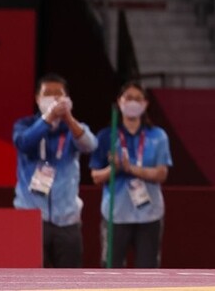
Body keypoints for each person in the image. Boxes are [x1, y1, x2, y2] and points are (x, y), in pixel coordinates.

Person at [13, 73, 98, 267]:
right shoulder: (23, 126)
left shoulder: (74, 129)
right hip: (30, 218)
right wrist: (48, 118)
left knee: (68, 282)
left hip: (67, 220)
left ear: (67, 99)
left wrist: (68, 118)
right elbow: (24, 144)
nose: (53, 98)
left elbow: (90, 145)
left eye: (58, 94)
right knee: (30, 281)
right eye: (47, 94)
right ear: (37, 98)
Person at [89, 80, 173, 268]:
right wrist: (115, 168)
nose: (133, 102)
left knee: (148, 272)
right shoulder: (106, 136)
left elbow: (162, 174)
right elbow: (95, 177)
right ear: (119, 102)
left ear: (145, 103)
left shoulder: (158, 136)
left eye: (138, 98)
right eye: (128, 98)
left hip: (149, 215)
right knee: (111, 271)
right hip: (115, 214)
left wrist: (132, 168)